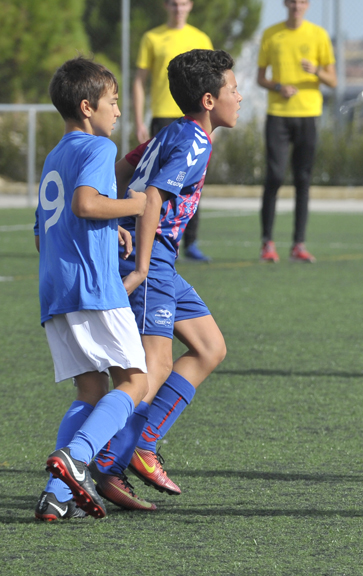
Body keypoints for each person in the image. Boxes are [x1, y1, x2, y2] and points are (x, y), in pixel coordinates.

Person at [86, 49, 240, 511]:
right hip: (152, 263)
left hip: (161, 261)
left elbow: (127, 167)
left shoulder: (175, 131)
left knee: (211, 347)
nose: (240, 96)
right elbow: (151, 195)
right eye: (234, 89)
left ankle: (142, 445)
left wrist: (120, 221)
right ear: (210, 100)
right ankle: (107, 462)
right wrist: (139, 263)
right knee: (154, 369)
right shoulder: (192, 140)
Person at [33, 57, 150, 521]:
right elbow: (86, 203)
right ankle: (77, 459)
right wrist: (136, 205)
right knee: (135, 381)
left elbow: (46, 229)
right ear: (87, 107)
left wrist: (111, 227)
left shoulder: (53, 155)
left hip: (55, 288)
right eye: (113, 102)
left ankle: (56, 497)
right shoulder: (98, 147)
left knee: (90, 391)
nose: (118, 111)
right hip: (92, 286)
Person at [256, 0, 337, 263]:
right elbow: (260, 77)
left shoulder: (319, 35)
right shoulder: (271, 34)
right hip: (278, 115)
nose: (296, 6)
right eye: (291, 2)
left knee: (303, 179)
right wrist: (279, 87)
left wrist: (316, 72)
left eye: (301, 2)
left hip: (309, 115)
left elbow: (333, 81)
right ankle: (267, 243)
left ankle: (298, 245)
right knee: (275, 176)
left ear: (307, 5)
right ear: (285, 4)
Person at [134, 0, 215, 262]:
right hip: (163, 116)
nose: (178, 8)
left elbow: (213, 81)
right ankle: (155, 235)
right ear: (164, 6)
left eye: (183, 3)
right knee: (158, 182)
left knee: (193, 180)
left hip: (195, 116)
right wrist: (139, 120)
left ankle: (190, 241)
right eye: (173, 3)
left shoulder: (200, 38)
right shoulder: (152, 37)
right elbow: (139, 80)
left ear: (190, 6)